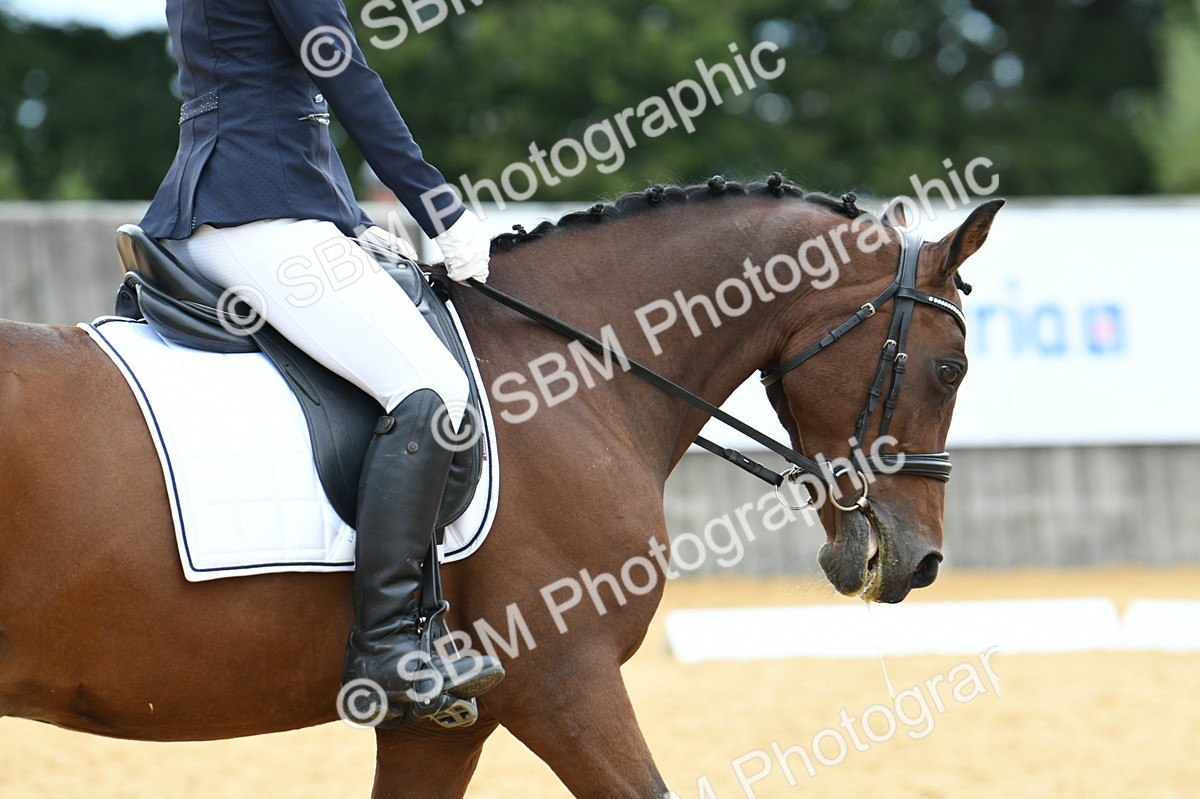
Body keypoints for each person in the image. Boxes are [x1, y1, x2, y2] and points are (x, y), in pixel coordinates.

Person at [139, 0, 504, 715]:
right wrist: (440, 207)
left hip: (243, 196)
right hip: (254, 206)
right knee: (431, 385)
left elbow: (272, 93)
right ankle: (388, 642)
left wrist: (354, 224)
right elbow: (344, 75)